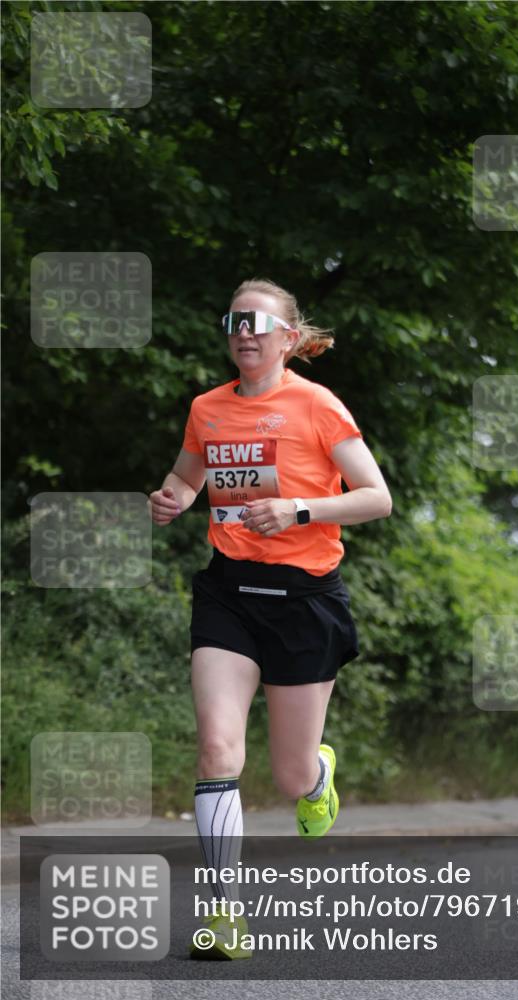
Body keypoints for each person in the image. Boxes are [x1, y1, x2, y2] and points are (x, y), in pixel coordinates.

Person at [149, 277, 392, 959]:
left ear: (287, 337)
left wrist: (298, 510)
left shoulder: (316, 406)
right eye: (234, 321)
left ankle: (317, 772)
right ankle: (225, 917)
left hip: (304, 602)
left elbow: (376, 497)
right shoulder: (207, 408)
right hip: (228, 594)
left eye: (257, 322)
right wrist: (169, 499)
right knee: (217, 749)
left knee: (288, 777)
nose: (243, 332)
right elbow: (187, 479)